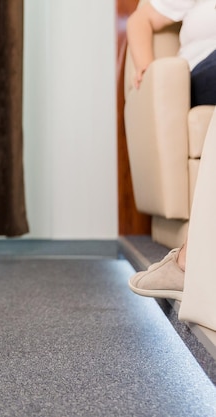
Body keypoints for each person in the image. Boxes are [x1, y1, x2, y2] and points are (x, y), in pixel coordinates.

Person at [126, 0, 216, 332]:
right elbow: (141, 18)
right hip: (205, 70)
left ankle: (187, 262)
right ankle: (187, 263)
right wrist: (147, 70)